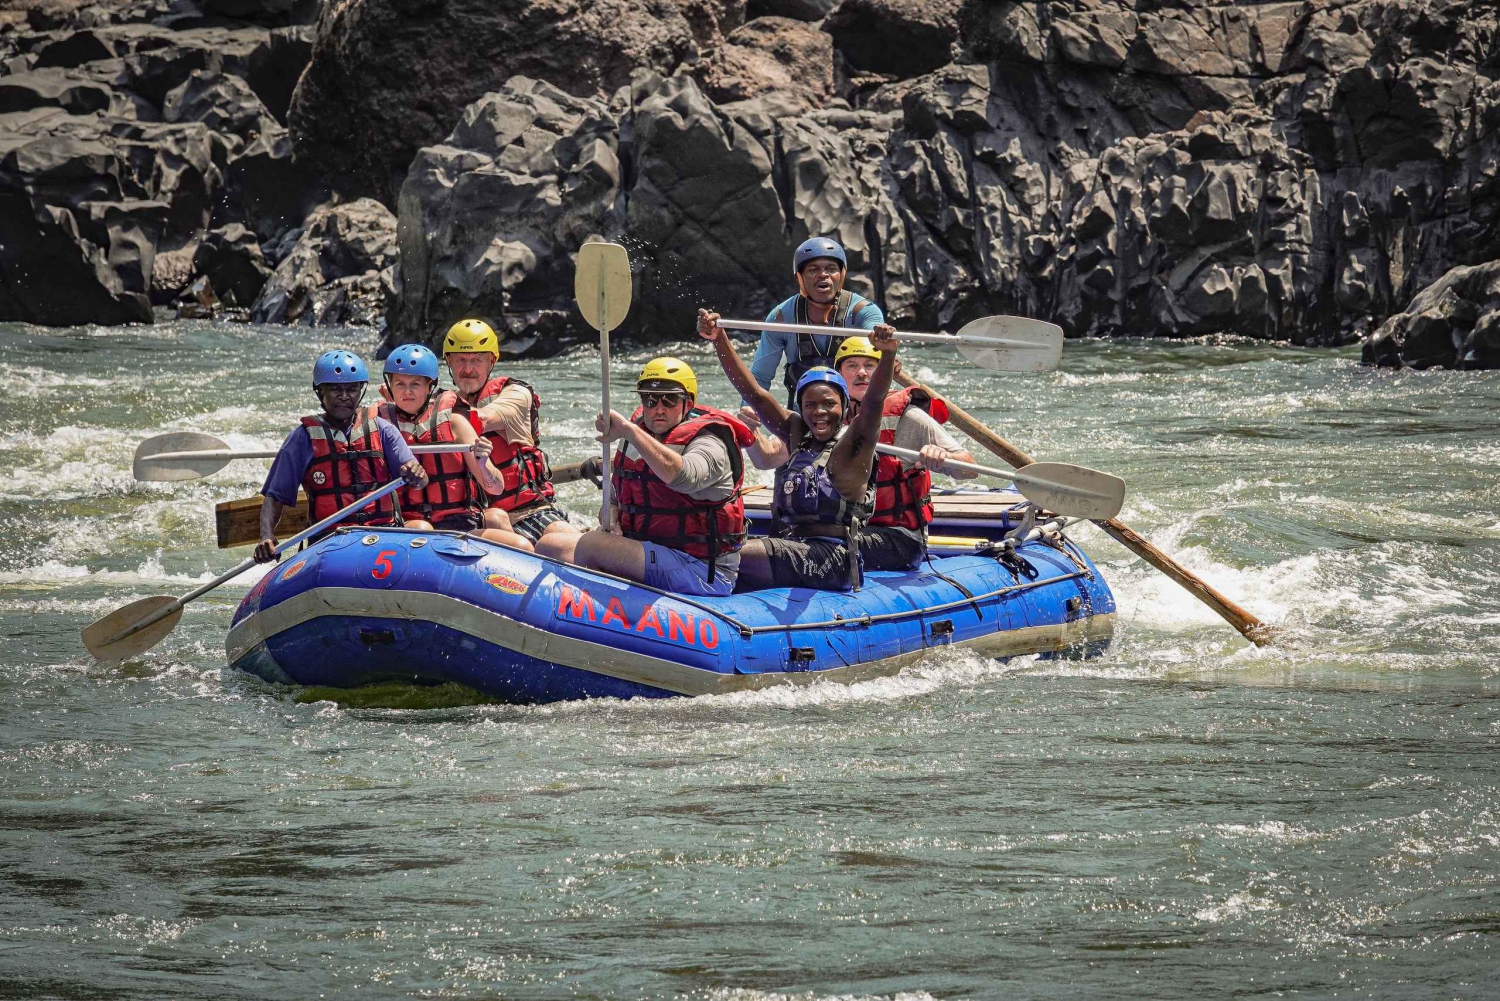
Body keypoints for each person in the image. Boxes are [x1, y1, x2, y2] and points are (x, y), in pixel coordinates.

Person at [699, 311, 899, 591]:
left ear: (842, 407)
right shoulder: (798, 433)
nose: (819, 412)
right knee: (710, 547)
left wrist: (888, 354)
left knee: (727, 556)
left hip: (833, 559)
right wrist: (718, 338)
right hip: (793, 548)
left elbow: (875, 401)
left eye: (829, 404)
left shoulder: (856, 443)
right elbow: (755, 393)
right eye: (810, 405)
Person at [749, 335, 980, 570]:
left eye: (870, 366)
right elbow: (767, 458)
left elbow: (969, 469)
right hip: (844, 531)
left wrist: (942, 458)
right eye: (852, 365)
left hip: (896, 536)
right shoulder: (823, 417)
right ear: (838, 373)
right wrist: (751, 434)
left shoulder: (908, 418)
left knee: (814, 545)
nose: (861, 372)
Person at [535, 358, 756, 597]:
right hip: (652, 552)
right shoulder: (637, 435)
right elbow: (616, 494)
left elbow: (683, 476)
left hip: (702, 570)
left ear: (688, 402)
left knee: (586, 545)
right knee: (551, 542)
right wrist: (611, 510)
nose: (658, 408)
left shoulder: (711, 441)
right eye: (650, 399)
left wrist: (630, 431)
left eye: (669, 399)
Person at [253, 350, 428, 564]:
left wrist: (417, 473)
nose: (344, 396)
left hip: (383, 535)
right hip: (329, 541)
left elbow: (420, 481)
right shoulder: (302, 438)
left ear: (360, 392)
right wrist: (267, 536)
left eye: (351, 389)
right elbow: (275, 497)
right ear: (320, 392)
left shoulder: (383, 430)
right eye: (335, 389)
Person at [373, 344, 534, 550]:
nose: (407, 392)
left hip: (460, 522)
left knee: (520, 542)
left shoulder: (454, 422)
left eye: (415, 384)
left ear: (430, 386)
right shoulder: (378, 425)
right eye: (400, 384)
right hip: (409, 523)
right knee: (422, 529)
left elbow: (496, 487)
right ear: (390, 386)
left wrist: (483, 463)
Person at [440, 319, 581, 545]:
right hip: (479, 516)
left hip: (529, 510)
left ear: (492, 361)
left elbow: (483, 419)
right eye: (460, 360)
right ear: (448, 361)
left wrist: (437, 414)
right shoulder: (443, 404)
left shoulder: (516, 393)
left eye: (476, 360)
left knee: (563, 536)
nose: (468, 369)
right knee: (496, 519)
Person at [749, 237, 885, 406]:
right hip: (803, 415)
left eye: (831, 269)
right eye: (813, 270)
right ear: (800, 277)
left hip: (854, 414)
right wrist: (749, 413)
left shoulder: (865, 313)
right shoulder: (781, 318)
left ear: (842, 274)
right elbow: (760, 377)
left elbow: (879, 365)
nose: (823, 275)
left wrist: (886, 348)